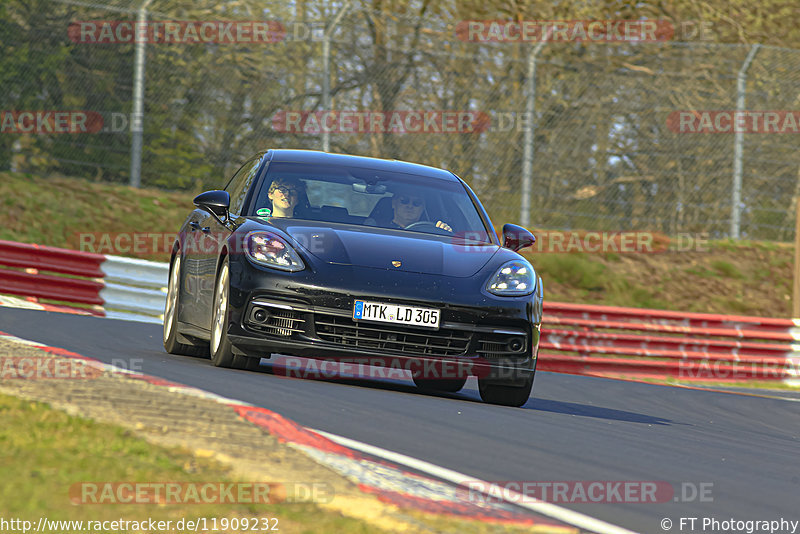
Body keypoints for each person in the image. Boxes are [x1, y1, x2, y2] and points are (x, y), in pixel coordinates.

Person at [388, 191, 452, 232]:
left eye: (417, 203)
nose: (410, 206)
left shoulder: (432, 233)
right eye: (404, 200)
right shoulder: (380, 229)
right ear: (394, 203)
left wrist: (445, 233)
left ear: (423, 208)